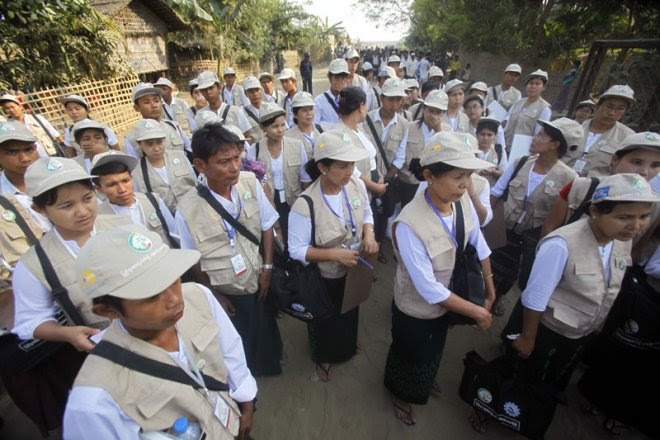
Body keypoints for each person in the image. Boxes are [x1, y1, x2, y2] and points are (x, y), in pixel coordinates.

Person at [485, 174, 658, 438]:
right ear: (595, 211)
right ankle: (491, 410)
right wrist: (528, 337)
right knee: (521, 375)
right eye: (624, 217)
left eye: (643, 216)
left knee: (549, 382)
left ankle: (526, 416)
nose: (635, 226)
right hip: (547, 332)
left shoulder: (621, 241)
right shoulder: (562, 244)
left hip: (579, 333)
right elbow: (535, 296)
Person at [62, 225, 257, 440]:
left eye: (173, 280)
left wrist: (246, 400)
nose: (174, 300)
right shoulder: (95, 401)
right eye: (151, 296)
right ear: (108, 311)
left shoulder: (198, 296)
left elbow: (230, 349)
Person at [384, 131, 495, 426]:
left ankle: (423, 379)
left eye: (468, 175)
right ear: (430, 176)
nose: (464, 184)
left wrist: (490, 284)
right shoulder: (409, 223)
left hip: (449, 301)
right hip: (416, 308)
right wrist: (477, 312)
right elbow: (427, 288)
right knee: (410, 352)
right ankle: (401, 394)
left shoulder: (461, 200)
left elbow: (478, 241)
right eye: (458, 176)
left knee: (434, 348)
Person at [175, 123, 282, 377]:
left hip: (258, 275)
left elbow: (267, 225)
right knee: (240, 335)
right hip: (227, 288)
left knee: (266, 322)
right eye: (224, 162)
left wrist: (267, 267)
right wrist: (214, 294)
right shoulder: (187, 209)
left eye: (237, 157)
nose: (235, 167)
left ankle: (273, 357)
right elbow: (194, 260)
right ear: (200, 165)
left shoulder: (249, 182)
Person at [288, 130, 378, 382]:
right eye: (343, 165)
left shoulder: (356, 185)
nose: (350, 170)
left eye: (352, 163)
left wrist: (369, 236)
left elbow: (368, 214)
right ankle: (323, 355)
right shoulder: (305, 205)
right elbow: (295, 250)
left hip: (354, 269)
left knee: (349, 310)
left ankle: (347, 345)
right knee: (324, 317)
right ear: (322, 167)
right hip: (325, 276)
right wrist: (333, 254)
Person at [489, 118, 579, 315]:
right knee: (492, 263)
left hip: (532, 235)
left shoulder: (569, 178)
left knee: (514, 271)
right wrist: (484, 221)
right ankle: (487, 296)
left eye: (541, 135)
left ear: (555, 144)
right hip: (503, 227)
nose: (534, 138)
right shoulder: (520, 163)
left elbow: (563, 216)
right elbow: (496, 192)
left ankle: (499, 298)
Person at [0, 122, 55, 437]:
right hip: (32, 302)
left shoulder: (55, 179)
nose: (23, 158)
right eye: (12, 152)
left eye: (28, 149)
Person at [543, 131, 660, 236]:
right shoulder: (582, 187)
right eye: (636, 162)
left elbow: (638, 248)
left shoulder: (655, 204)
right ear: (615, 159)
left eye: (655, 165)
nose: (644, 172)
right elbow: (549, 228)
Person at [247, 102, 311, 239]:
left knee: (296, 234)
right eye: (275, 126)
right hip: (269, 202)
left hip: (294, 199)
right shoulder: (255, 150)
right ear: (263, 127)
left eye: (283, 125)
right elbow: (257, 181)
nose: (280, 130)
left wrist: (307, 204)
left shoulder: (297, 146)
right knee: (276, 237)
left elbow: (305, 179)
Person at [92, 151, 178, 246]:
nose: (122, 189)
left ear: (132, 178)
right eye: (111, 185)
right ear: (99, 189)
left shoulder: (153, 200)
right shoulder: (98, 218)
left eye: (125, 181)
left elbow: (175, 234)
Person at [561, 85, 635, 177]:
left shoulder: (627, 137)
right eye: (609, 106)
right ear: (598, 106)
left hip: (595, 187)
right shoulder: (573, 127)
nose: (612, 113)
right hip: (560, 180)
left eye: (620, 109)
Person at [398, 90, 450, 207]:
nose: (434, 115)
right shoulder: (409, 127)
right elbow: (400, 154)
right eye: (431, 110)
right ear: (424, 109)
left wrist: (438, 131)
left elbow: (447, 154)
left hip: (433, 183)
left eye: (438, 112)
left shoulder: (447, 132)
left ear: (443, 114)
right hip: (409, 182)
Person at [131, 119, 196, 213]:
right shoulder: (137, 171)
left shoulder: (180, 156)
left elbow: (194, 182)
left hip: (194, 210)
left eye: (159, 142)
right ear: (139, 144)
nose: (156, 148)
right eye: (149, 144)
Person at [335, 87, 387, 200]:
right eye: (366, 105)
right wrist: (375, 187)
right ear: (360, 107)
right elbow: (353, 172)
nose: (367, 109)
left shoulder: (359, 128)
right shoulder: (340, 134)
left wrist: (379, 175)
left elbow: (371, 156)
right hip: (358, 194)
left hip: (373, 186)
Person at [123, 83, 191, 159]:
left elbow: (189, 148)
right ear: (136, 108)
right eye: (147, 102)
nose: (154, 105)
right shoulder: (131, 138)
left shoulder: (172, 126)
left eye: (156, 100)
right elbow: (135, 167)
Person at [502, 69, 552, 148]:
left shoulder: (544, 108)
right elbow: (507, 126)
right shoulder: (518, 103)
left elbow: (539, 134)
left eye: (537, 84)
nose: (533, 86)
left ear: (543, 87)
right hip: (506, 145)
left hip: (524, 150)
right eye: (531, 83)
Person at [195, 71, 252, 138]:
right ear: (201, 92)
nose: (208, 92)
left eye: (211, 88)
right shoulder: (201, 115)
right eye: (204, 90)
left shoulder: (236, 111)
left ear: (219, 88)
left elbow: (247, 135)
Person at [314, 59, 350, 129]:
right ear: (329, 77)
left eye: (343, 77)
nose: (340, 81)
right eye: (336, 77)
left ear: (347, 79)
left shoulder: (350, 100)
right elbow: (315, 127)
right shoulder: (319, 102)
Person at [286, 92, 323, 157]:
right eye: (304, 110)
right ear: (295, 114)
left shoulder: (321, 131)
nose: (309, 113)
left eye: (311, 109)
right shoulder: (288, 137)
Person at [474, 117, 508, 186]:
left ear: (495, 136)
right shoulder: (471, 149)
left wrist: (493, 172)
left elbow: (504, 173)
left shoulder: (499, 150)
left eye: (489, 135)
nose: (485, 138)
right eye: (482, 134)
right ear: (477, 135)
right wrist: (479, 172)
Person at [241, 75, 266, 143]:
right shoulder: (242, 113)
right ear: (246, 94)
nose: (255, 94)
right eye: (251, 91)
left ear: (261, 90)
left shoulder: (271, 108)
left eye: (257, 90)